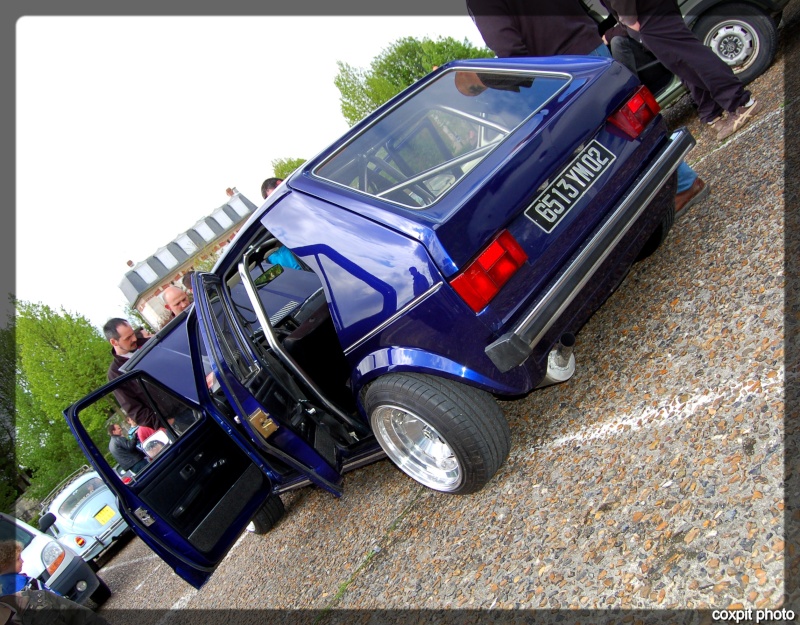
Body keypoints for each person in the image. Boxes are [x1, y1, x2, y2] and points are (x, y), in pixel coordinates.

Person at [466, 0, 708, 216]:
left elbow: (511, 55)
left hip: (562, 76)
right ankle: (682, 183)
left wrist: (478, 81)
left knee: (598, 150)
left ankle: (682, 187)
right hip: (591, 49)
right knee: (632, 124)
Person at [602, 0, 761, 140]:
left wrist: (629, 20)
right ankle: (711, 112)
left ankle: (742, 103)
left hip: (647, 13)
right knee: (683, 63)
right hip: (651, 11)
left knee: (692, 57)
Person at [103, 318, 159, 430]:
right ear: (114, 342)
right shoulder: (115, 374)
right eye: (128, 338)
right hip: (173, 419)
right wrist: (163, 422)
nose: (134, 339)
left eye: (133, 334)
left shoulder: (151, 343)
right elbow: (134, 409)